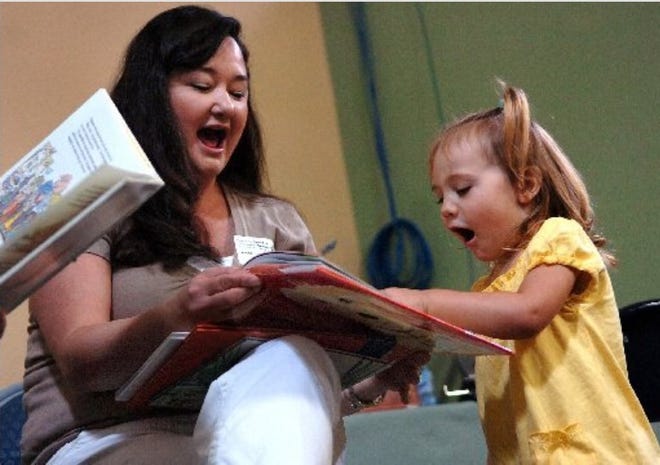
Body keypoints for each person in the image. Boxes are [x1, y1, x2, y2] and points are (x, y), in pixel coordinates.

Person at [21, 6, 429, 465]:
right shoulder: (87, 199)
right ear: (151, 95)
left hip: (245, 447)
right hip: (109, 441)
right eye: (201, 85)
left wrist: (369, 384)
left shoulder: (277, 221)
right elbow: (83, 361)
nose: (225, 104)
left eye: (238, 92)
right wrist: (175, 314)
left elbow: (292, 412)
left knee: (293, 353)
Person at [384, 82, 660, 463]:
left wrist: (423, 301)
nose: (446, 208)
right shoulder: (489, 288)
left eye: (461, 189)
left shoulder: (559, 237)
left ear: (526, 184)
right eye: (440, 197)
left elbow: (527, 313)